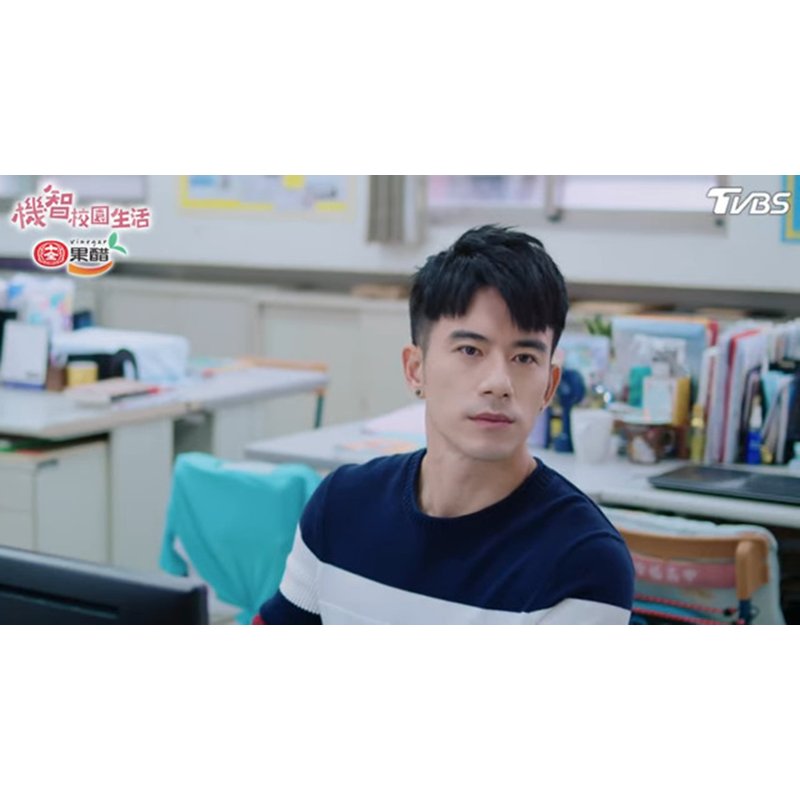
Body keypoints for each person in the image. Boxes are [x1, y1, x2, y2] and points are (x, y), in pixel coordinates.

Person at [254, 225, 634, 624]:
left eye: (524, 358)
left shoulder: (584, 560)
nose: (499, 383)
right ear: (415, 369)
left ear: (550, 386)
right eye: (470, 350)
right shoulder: (340, 506)